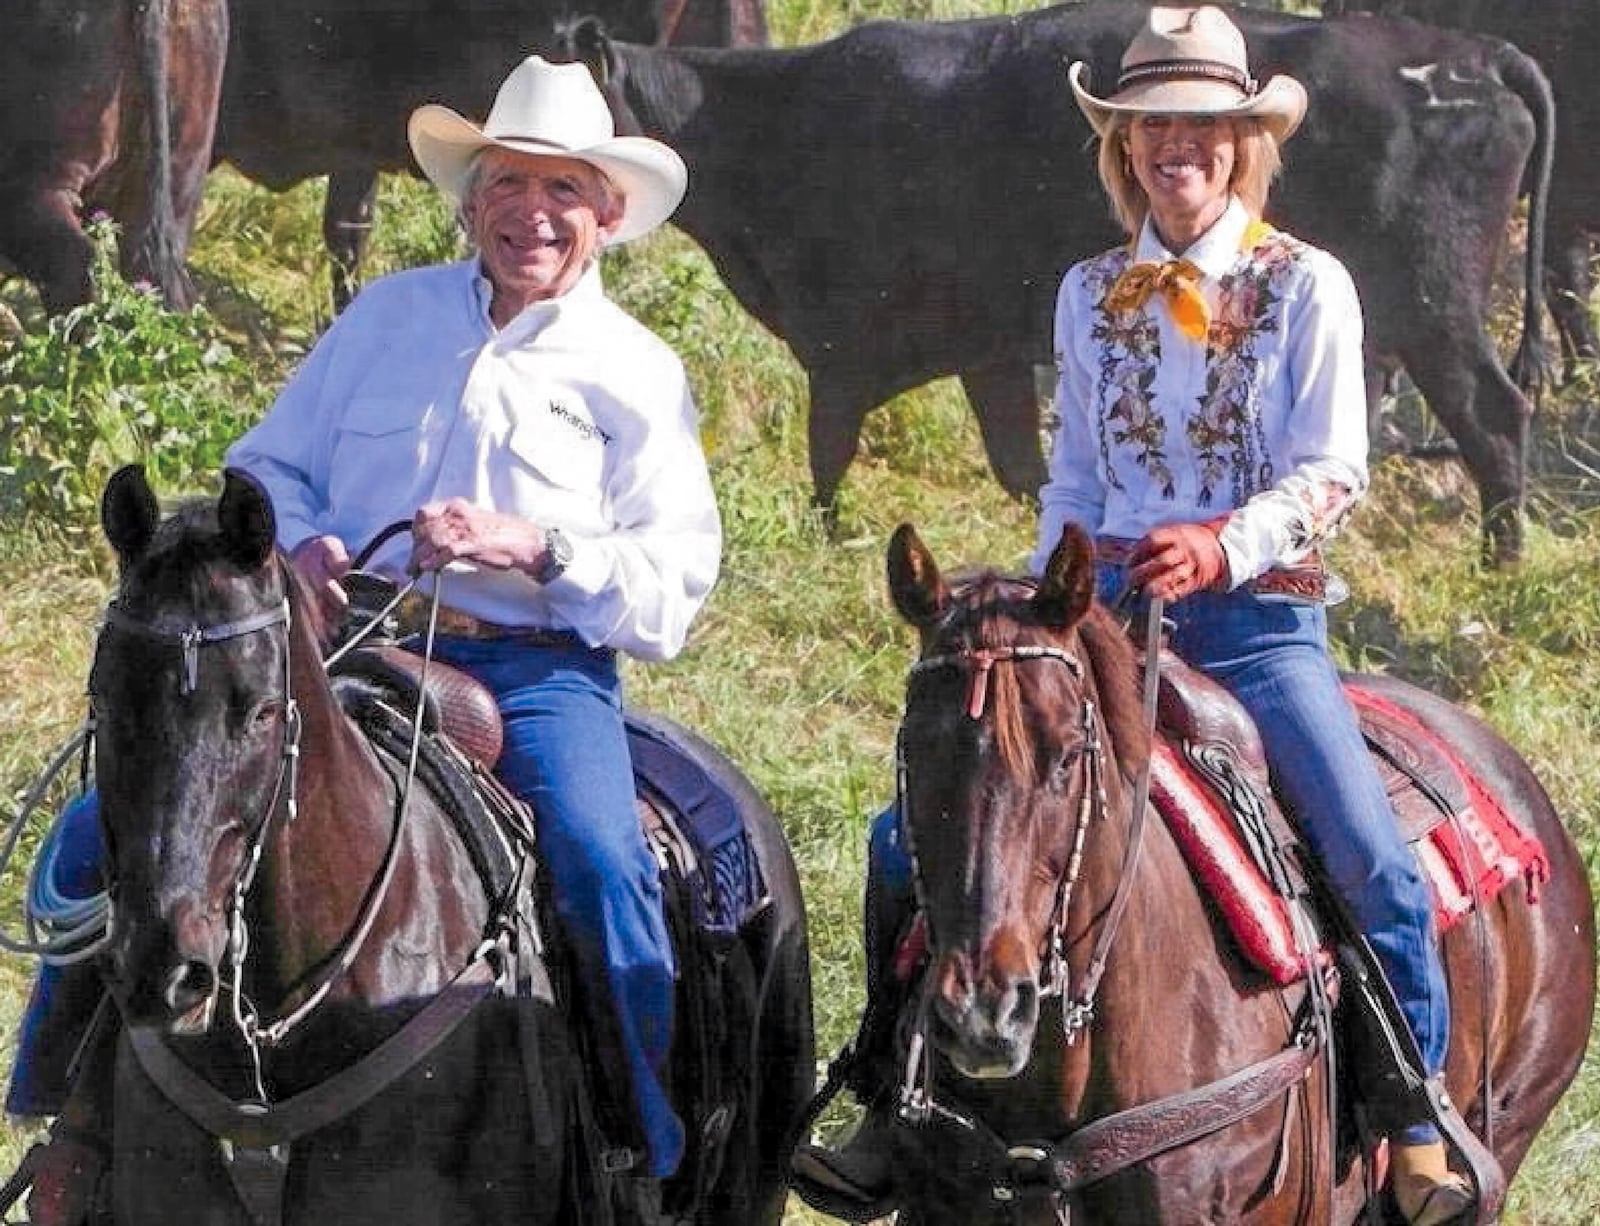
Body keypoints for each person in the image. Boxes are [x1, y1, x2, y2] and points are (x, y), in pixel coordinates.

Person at [791, 9, 1477, 1226]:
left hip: (1258, 626)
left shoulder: (1304, 282)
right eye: (1154, 126)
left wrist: (1223, 542)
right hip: (1100, 614)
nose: (1178, 148)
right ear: (1124, 148)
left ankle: (1411, 1110)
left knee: (1365, 849)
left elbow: (1331, 471)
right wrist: (1054, 563)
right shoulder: (1089, 291)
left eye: (1203, 127)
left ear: (1241, 144)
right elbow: (1075, 478)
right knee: (911, 833)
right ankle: (894, 1096)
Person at [10, 54, 719, 1220]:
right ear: (471, 198)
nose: (530, 215)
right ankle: (67, 1114)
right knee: (104, 825)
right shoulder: (386, 317)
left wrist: (535, 545)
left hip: (533, 669)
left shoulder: (636, 373)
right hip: (349, 647)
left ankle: (629, 1140)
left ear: (603, 212)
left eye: (560, 193)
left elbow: (674, 579)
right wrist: (301, 547)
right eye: (507, 186)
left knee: (597, 858)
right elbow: (269, 465)